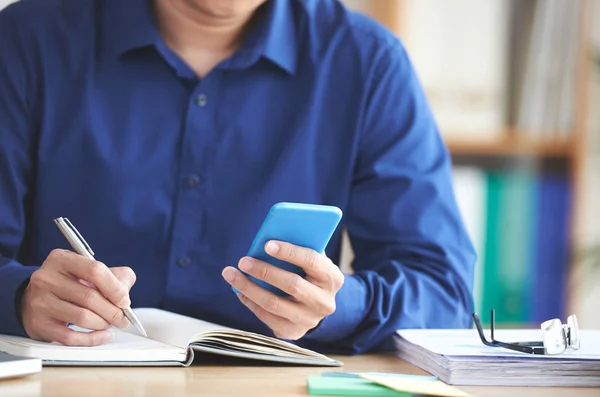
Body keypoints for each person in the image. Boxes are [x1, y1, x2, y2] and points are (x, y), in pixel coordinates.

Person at [0, 0, 476, 355]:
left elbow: (442, 293)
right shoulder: (27, 40)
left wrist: (335, 306)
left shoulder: (366, 61)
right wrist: (21, 298)